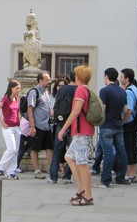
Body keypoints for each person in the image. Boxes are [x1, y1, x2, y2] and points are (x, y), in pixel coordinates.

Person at [58, 65, 95, 206]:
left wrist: (63, 129)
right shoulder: (87, 90)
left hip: (81, 131)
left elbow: (76, 111)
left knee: (82, 163)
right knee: (69, 157)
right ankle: (80, 188)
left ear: (77, 77)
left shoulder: (80, 90)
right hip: (83, 131)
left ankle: (88, 195)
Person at [94, 67, 129, 188]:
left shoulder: (104, 91)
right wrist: (121, 120)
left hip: (107, 125)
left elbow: (102, 108)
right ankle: (120, 178)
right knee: (121, 152)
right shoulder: (122, 91)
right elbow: (125, 110)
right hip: (118, 125)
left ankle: (105, 180)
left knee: (108, 153)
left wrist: (97, 120)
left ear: (106, 76)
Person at [47, 74, 76, 184]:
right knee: (71, 151)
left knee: (57, 149)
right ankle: (67, 177)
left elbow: (56, 105)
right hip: (74, 123)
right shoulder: (80, 89)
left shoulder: (62, 89)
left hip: (61, 122)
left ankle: (53, 176)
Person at [0, 80, 22, 180]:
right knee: (12, 149)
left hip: (17, 127)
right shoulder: (5, 99)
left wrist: (20, 120)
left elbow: (17, 112)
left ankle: (11, 171)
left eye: (19, 88)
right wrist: (1, 122)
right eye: (17, 88)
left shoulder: (17, 99)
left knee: (16, 151)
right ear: (11, 88)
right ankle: (0, 167)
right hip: (8, 127)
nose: (19, 90)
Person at [27, 72, 53, 179]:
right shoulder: (34, 92)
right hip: (37, 125)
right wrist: (32, 126)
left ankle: (52, 169)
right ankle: (37, 170)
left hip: (47, 125)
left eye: (49, 79)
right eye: (47, 80)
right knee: (35, 148)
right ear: (40, 80)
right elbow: (30, 109)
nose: (49, 82)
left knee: (49, 147)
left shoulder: (46, 92)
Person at [120, 68, 137, 184]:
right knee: (133, 147)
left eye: (122, 77)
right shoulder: (136, 90)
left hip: (129, 122)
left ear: (127, 79)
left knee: (128, 148)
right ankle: (134, 173)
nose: (120, 79)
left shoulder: (128, 91)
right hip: (136, 122)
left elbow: (128, 110)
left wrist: (122, 122)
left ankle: (128, 174)